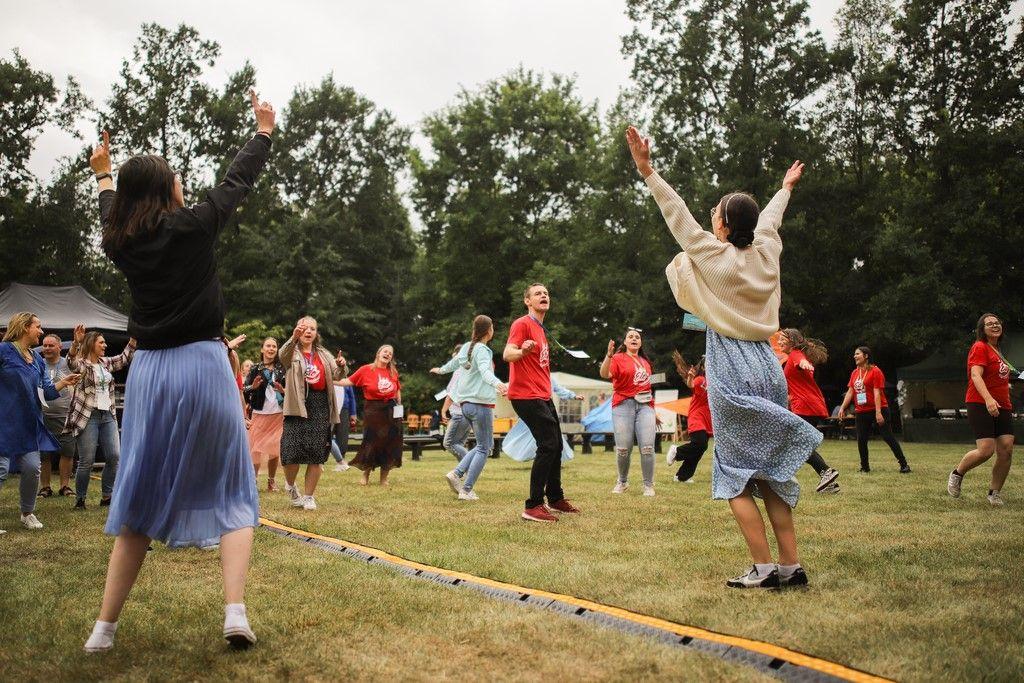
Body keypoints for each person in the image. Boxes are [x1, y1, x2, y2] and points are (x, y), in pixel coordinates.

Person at [83, 90, 275, 652]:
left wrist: (104, 177)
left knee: (139, 488)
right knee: (233, 486)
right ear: (169, 189)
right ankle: (235, 613)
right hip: (204, 364)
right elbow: (235, 184)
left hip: (150, 375)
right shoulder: (193, 226)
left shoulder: (120, 242)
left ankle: (103, 630)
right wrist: (262, 133)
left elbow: (107, 212)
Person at [628, 125, 821, 589]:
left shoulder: (715, 256)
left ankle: (762, 568)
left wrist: (647, 170)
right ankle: (791, 567)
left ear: (723, 226)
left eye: (714, 212)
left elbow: (676, 215)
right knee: (771, 470)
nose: (709, 216)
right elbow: (771, 222)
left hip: (731, 365)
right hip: (767, 368)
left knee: (734, 473)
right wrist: (784, 189)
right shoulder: (767, 254)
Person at [503, 283, 583, 523]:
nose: (544, 295)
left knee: (556, 445)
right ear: (527, 301)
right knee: (547, 445)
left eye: (546, 293)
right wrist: (522, 352)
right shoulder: (522, 324)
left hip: (542, 396)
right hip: (526, 396)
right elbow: (508, 354)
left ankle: (555, 498)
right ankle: (533, 505)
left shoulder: (540, 329)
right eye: (538, 293)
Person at [0, 313, 81, 533]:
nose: (41, 331)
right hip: (4, 421)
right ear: (25, 327)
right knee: (1, 469)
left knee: (32, 468)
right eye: (38, 326)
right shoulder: (4, 350)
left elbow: (44, 391)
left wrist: (63, 382)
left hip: (29, 423)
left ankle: (27, 513)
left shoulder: (36, 359)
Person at [431, 315, 509, 500]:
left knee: (484, 445)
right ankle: (465, 489)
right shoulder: (483, 350)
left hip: (465, 405)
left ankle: (456, 473)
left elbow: (452, 364)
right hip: (480, 405)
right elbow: (485, 372)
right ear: (489, 331)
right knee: (484, 448)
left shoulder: (467, 347)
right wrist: (499, 384)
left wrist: (440, 370)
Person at [278, 317, 348, 509]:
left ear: (317, 333)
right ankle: (291, 486)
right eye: (305, 328)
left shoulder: (323, 353)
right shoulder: (292, 350)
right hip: (297, 406)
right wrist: (293, 338)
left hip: (320, 405)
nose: (308, 332)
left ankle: (309, 496)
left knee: (316, 453)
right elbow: (282, 355)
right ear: (298, 330)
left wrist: (342, 365)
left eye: (313, 329)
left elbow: (338, 375)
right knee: (291, 452)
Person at [65, 326, 136, 509]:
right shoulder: (82, 364)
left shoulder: (105, 363)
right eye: (101, 342)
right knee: (86, 460)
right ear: (91, 344)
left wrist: (133, 340)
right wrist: (76, 342)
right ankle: (80, 499)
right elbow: (71, 362)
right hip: (88, 415)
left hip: (108, 415)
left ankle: (107, 496)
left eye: (104, 342)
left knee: (114, 456)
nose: (105, 345)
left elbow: (124, 358)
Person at [948, 314, 1015, 506]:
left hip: (1003, 404)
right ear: (982, 329)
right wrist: (988, 400)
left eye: (997, 323)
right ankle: (957, 473)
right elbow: (975, 376)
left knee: (1006, 449)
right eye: (989, 324)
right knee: (986, 451)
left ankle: (994, 493)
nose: (995, 325)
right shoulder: (979, 347)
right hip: (980, 402)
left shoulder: (998, 350)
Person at [778, 329, 840, 493]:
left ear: (792, 341)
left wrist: (805, 365)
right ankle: (830, 483)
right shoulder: (793, 356)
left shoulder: (796, 355)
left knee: (798, 444)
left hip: (805, 406)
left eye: (782, 339)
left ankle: (827, 472)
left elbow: (801, 362)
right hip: (807, 405)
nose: (779, 342)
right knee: (799, 444)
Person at [599, 327, 657, 496]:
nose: (634, 339)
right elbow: (604, 374)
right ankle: (622, 482)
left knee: (647, 447)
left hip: (645, 407)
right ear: (624, 342)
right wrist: (609, 356)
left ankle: (648, 485)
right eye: (630, 336)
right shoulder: (617, 358)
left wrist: (654, 413)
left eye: (637, 337)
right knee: (623, 449)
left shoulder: (646, 363)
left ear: (640, 342)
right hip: (623, 405)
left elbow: (647, 388)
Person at [838, 346, 911, 474]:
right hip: (861, 410)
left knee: (888, 437)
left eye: (857, 354)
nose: (855, 356)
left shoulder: (876, 371)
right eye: (854, 354)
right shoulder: (855, 373)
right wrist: (842, 407)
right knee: (861, 439)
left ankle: (904, 464)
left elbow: (877, 392)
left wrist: (878, 413)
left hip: (879, 408)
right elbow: (850, 391)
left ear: (866, 356)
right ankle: (864, 467)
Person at [339, 345, 403, 486]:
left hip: (391, 410)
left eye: (390, 353)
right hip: (373, 409)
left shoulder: (393, 372)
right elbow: (348, 381)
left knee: (390, 443)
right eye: (385, 351)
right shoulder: (366, 369)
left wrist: (400, 409)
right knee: (371, 441)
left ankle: (384, 478)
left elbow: (397, 390)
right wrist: (330, 380)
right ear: (378, 353)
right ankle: (365, 475)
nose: (387, 354)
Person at [243, 337, 286, 492]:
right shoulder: (255, 369)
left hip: (278, 413)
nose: (271, 349)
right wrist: (252, 387)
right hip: (259, 412)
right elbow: (243, 389)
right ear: (262, 349)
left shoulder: (282, 368)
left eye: (274, 346)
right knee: (255, 448)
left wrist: (283, 391)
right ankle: (253, 480)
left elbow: (290, 392)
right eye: (268, 346)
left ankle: (271, 481)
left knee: (275, 448)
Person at [37, 333, 77, 498]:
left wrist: (76, 343)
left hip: (65, 415)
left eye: (50, 345)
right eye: (44, 345)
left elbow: (75, 356)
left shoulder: (67, 364)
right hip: (42, 415)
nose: (46, 348)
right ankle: (45, 487)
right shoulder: (38, 364)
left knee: (67, 452)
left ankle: (64, 486)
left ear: (60, 347)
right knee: (44, 454)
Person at [666, 353, 712, 484]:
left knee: (700, 449)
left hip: (707, 420)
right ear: (703, 368)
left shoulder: (716, 382)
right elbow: (691, 384)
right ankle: (677, 451)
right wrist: (691, 377)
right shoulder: (701, 380)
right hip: (697, 418)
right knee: (700, 444)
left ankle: (682, 477)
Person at [440, 344, 469, 461]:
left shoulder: (458, 371)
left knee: (449, 443)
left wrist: (443, 411)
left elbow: (451, 394)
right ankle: (463, 471)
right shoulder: (468, 371)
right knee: (459, 444)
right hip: (467, 413)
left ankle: (471, 465)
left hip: (459, 413)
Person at [330, 378, 357, 472]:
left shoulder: (346, 380)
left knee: (342, 434)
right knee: (327, 434)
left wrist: (353, 413)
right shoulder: (327, 376)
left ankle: (341, 460)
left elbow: (352, 397)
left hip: (344, 409)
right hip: (330, 408)